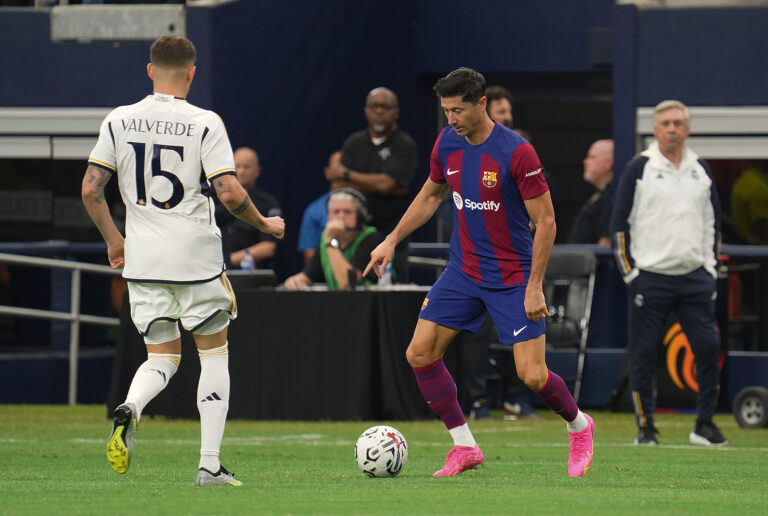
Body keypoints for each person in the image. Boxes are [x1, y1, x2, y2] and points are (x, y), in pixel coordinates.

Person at [365, 67, 595, 477]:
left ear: (482, 104)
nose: (451, 119)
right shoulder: (447, 142)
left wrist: (534, 286)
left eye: (458, 110)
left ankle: (579, 426)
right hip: (464, 271)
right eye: (446, 110)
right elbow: (431, 194)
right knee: (419, 354)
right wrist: (391, 239)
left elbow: (546, 222)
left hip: (513, 277)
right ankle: (464, 447)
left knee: (532, 375)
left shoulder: (517, 152)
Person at [81, 35, 285, 486]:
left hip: (143, 259)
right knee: (213, 354)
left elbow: (91, 189)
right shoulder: (205, 123)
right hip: (194, 258)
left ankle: (131, 407)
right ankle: (209, 464)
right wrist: (265, 226)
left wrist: (116, 241)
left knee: (162, 355)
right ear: (191, 73)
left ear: (150, 70)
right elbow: (229, 192)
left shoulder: (119, 120)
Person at [611, 99, 727, 447]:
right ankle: (646, 429)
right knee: (644, 355)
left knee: (709, 349)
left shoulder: (700, 169)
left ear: (687, 129)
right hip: (651, 276)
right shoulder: (639, 167)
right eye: (666, 123)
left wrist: (710, 270)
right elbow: (619, 226)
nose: (673, 129)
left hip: (695, 277)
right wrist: (632, 275)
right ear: (655, 129)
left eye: (679, 123)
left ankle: (704, 424)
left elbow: (714, 226)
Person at [324, 87, 418, 282]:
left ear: (396, 112)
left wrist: (347, 174)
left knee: (391, 283)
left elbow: (387, 184)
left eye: (385, 107)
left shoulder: (404, 144)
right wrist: (376, 183)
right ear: (366, 111)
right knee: (352, 281)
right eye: (374, 107)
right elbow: (338, 187)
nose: (379, 112)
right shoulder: (354, 143)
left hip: (391, 231)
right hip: (357, 232)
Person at [284, 188, 382, 290]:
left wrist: (330, 242)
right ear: (328, 217)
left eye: (347, 212)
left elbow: (346, 281)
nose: (341, 216)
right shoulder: (326, 240)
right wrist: (294, 281)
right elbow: (308, 276)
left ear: (360, 216)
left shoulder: (371, 237)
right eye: (336, 212)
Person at [215, 146, 283, 269]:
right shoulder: (214, 199)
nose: (241, 171)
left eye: (246, 167)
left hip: (252, 274)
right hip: (217, 273)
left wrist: (227, 261)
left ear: (257, 170)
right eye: (237, 166)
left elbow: (268, 247)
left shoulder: (267, 203)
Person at [296, 150, 343, 264]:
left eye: (346, 166)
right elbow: (309, 257)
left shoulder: (368, 205)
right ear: (327, 172)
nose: (341, 172)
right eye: (337, 167)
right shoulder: (314, 211)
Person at [568, 139, 614, 245]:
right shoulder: (600, 195)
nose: (585, 161)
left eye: (592, 157)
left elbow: (605, 243)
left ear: (608, 164)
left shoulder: (611, 198)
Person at [730, 160, 768, 244]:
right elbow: (763, 228)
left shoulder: (745, 179)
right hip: (754, 248)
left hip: (741, 242)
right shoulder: (757, 186)